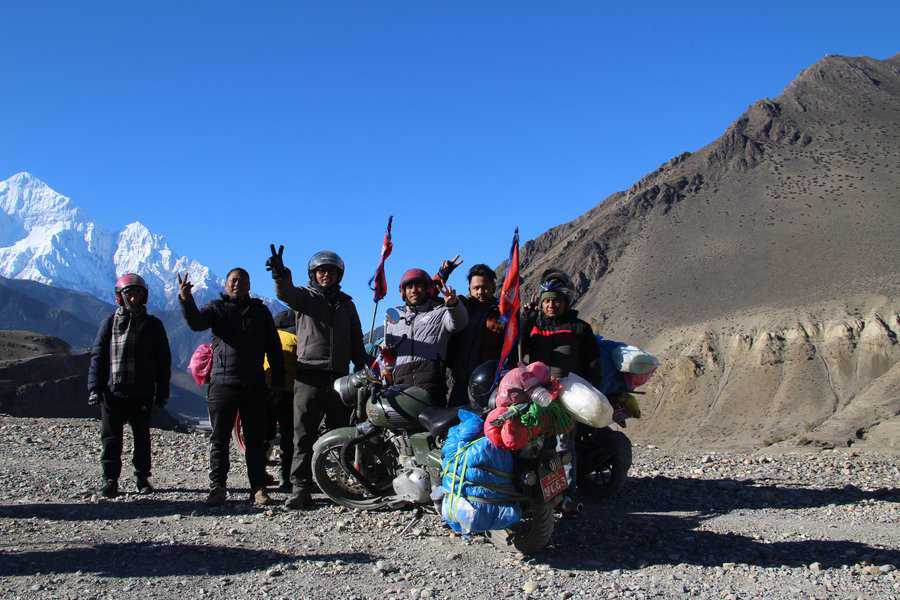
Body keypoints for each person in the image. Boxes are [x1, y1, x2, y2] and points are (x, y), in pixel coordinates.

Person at [265, 245, 368, 509]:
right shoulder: (305, 298)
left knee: (340, 432)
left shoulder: (347, 305)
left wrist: (363, 365)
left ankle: (341, 485)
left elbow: (356, 339)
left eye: (331, 271)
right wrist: (280, 274)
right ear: (313, 274)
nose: (326, 275)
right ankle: (300, 488)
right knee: (303, 435)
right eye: (321, 271)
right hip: (307, 376)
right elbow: (285, 292)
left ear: (339, 275)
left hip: (339, 378)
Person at [178, 267, 284, 507]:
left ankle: (258, 489)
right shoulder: (216, 309)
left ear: (249, 285)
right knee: (220, 439)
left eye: (243, 280)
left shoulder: (260, 312)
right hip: (222, 384)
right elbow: (196, 323)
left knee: (255, 440)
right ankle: (218, 487)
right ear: (226, 284)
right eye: (233, 280)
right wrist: (186, 300)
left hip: (254, 385)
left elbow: (274, 349)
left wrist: (277, 383)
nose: (238, 284)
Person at [520, 269, 602, 514]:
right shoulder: (534, 326)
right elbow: (517, 345)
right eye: (546, 301)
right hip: (536, 393)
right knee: (534, 443)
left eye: (556, 300)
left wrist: (592, 391)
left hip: (567, 395)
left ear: (566, 301)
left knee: (562, 445)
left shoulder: (579, 328)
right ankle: (537, 493)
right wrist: (526, 319)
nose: (551, 305)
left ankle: (566, 496)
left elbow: (592, 363)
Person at [88, 273, 171, 498]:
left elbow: (163, 361)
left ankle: (142, 477)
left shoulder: (154, 325)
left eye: (137, 293)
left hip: (141, 391)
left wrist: (162, 391)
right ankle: (110, 479)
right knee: (110, 438)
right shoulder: (109, 323)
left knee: (142, 438)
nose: (133, 297)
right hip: (113, 391)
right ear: (120, 296)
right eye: (128, 293)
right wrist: (95, 387)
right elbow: (98, 355)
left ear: (144, 296)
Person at [384, 268, 468, 400]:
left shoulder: (440, 311)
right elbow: (388, 357)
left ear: (427, 288)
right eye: (409, 287)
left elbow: (459, 323)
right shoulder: (394, 319)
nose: (414, 290)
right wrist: (386, 369)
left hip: (432, 385)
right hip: (400, 386)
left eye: (418, 286)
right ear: (403, 292)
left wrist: (454, 305)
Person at [446, 263, 504, 406]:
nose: (480, 292)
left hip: (489, 384)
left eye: (485, 287)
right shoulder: (460, 308)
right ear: (469, 289)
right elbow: (429, 297)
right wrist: (443, 274)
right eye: (476, 288)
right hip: (460, 383)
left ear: (493, 288)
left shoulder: (503, 313)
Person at [264, 309, 298, 492]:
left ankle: (260, 476)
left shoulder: (268, 337)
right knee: (288, 436)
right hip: (289, 392)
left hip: (265, 391)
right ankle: (286, 479)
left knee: (265, 435)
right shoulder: (297, 339)